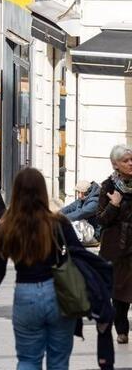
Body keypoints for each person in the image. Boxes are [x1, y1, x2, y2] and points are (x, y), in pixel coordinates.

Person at [0, 168, 83, 370]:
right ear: (43, 191)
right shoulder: (58, 223)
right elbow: (80, 256)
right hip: (57, 294)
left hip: (25, 295)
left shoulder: (5, 226)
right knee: (59, 363)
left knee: (28, 358)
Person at [96, 144, 132, 345]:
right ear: (115, 165)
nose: (130, 163)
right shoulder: (108, 186)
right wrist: (114, 204)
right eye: (125, 161)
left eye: (131, 159)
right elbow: (101, 219)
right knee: (120, 291)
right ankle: (122, 329)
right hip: (116, 246)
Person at [60, 180, 101, 244]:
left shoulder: (95, 202)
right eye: (78, 192)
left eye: (82, 192)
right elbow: (70, 207)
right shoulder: (83, 198)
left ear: (88, 192)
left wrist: (61, 218)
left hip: (94, 234)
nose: (79, 195)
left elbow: (80, 214)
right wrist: (56, 214)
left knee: (76, 222)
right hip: (86, 230)